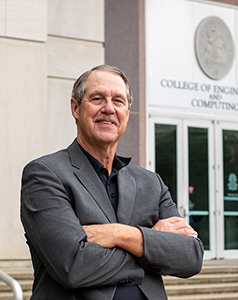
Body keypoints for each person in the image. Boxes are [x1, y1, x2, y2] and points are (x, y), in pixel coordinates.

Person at [20, 64, 204, 300]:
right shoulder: (45, 174)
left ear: (127, 112)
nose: (108, 108)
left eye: (118, 101)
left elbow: (191, 256)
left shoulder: (151, 182)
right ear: (76, 108)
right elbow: (72, 266)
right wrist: (152, 245)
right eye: (97, 99)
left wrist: (120, 234)